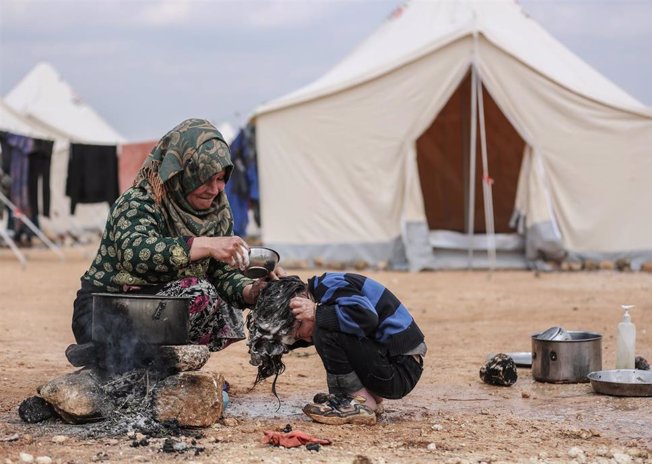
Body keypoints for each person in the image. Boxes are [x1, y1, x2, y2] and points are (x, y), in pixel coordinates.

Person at [68, 118, 274, 366]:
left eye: (221, 179)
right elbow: (136, 254)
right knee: (199, 292)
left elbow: (222, 274)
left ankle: (150, 363)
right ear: (182, 173)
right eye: (205, 178)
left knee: (222, 301)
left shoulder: (218, 213)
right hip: (105, 311)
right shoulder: (140, 201)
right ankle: (119, 357)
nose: (215, 189)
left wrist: (252, 292)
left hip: (159, 309)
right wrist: (206, 244)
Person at [246, 273, 426, 425]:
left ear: (301, 302)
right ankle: (367, 397)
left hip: (400, 369)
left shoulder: (330, 286)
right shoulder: (321, 292)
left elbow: (367, 317)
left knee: (325, 330)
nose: (307, 340)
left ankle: (354, 402)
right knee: (325, 326)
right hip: (389, 367)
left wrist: (317, 312)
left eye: (301, 333)